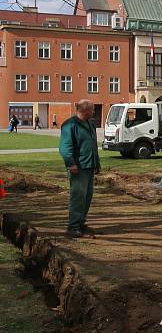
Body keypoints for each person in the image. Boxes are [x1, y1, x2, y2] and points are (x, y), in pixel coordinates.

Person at [59, 100, 100, 238]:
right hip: (78, 167)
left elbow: (93, 146)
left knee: (87, 197)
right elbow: (65, 148)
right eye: (92, 109)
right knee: (78, 198)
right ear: (85, 110)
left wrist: (97, 164)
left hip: (89, 166)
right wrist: (71, 164)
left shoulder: (90, 125)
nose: (94, 112)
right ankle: (73, 227)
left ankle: (81, 223)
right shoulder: (70, 125)